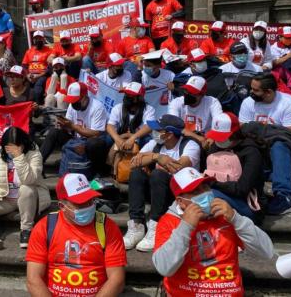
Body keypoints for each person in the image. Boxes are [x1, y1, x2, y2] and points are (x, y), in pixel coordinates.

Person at [153, 167, 274, 297]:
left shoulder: (226, 216)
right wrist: (186, 227)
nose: (204, 194)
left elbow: (266, 252)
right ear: (181, 202)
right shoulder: (169, 222)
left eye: (205, 187)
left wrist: (236, 219)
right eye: (196, 192)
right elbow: (164, 267)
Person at [25, 173, 126, 297]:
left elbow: (117, 280)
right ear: (62, 206)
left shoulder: (107, 227)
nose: (88, 207)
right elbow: (33, 279)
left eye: (90, 200)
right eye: (80, 204)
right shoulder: (45, 227)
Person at [0, 127, 51, 257]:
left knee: (26, 188)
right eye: (8, 147)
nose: (11, 150)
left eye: (16, 146)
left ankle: (26, 230)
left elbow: (29, 179)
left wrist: (19, 157)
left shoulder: (34, 153)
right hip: (6, 198)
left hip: (32, 198)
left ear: (23, 144)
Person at [123, 114, 200, 251]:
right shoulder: (155, 144)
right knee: (137, 173)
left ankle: (155, 225)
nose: (154, 132)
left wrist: (151, 159)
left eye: (158, 130)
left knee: (158, 174)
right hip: (157, 192)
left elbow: (178, 166)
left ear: (169, 134)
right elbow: (135, 162)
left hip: (179, 195)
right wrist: (157, 157)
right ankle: (136, 225)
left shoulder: (190, 145)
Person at [238, 73, 291, 215]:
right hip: (257, 149)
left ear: (268, 92)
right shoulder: (248, 102)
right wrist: (272, 130)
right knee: (246, 143)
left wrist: (257, 128)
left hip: (279, 150)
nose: (251, 92)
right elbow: (243, 128)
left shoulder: (289, 102)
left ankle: (284, 196)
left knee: (279, 144)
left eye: (255, 90)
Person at [205, 112, 267, 222]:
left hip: (248, 204)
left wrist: (212, 182)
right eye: (216, 137)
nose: (218, 141)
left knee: (209, 198)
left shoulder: (251, 152)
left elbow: (242, 189)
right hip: (218, 196)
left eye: (222, 137)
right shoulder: (215, 147)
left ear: (234, 134)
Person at [39, 83, 107, 171]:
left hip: (91, 141)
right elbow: (70, 126)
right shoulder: (72, 106)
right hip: (76, 138)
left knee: (94, 143)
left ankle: (96, 170)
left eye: (76, 100)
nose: (73, 103)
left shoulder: (97, 107)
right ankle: (38, 164)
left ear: (85, 96)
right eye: (72, 101)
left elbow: (96, 134)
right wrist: (63, 124)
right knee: (54, 131)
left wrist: (72, 126)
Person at [168, 75, 223, 146]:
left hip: (207, 140)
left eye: (192, 93)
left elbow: (219, 122)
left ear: (202, 95)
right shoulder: (176, 102)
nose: (187, 94)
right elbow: (173, 125)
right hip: (183, 140)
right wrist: (197, 137)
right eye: (186, 91)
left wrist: (211, 137)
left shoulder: (212, 102)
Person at [106, 82, 154, 151]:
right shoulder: (118, 107)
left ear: (139, 98)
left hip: (138, 137)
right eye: (126, 94)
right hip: (121, 135)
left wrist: (133, 138)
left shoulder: (149, 109)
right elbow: (110, 125)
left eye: (130, 95)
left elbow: (149, 126)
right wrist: (117, 138)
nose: (126, 97)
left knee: (148, 140)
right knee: (107, 139)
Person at [117, 17, 155, 82]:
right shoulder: (123, 41)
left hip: (145, 65)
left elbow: (152, 52)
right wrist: (133, 60)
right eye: (142, 28)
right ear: (134, 28)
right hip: (131, 68)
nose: (144, 30)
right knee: (130, 65)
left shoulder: (147, 39)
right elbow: (119, 59)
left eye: (144, 28)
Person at [141, 50, 176, 119]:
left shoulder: (169, 75)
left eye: (148, 65)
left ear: (158, 66)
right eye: (144, 65)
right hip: (147, 115)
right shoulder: (141, 77)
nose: (145, 68)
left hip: (164, 114)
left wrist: (174, 89)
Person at [22, 30, 53, 104]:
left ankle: (38, 106)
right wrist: (27, 75)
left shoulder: (49, 51)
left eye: (40, 38)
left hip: (43, 75)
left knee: (38, 88)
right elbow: (24, 66)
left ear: (43, 39)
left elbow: (49, 68)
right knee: (22, 86)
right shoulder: (29, 51)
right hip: (30, 75)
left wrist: (38, 76)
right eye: (36, 38)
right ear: (33, 40)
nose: (38, 40)